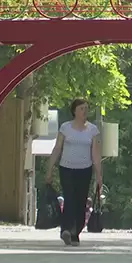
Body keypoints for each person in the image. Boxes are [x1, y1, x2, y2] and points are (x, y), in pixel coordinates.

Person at [46, 98, 102, 247]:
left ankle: (75, 232)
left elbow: (96, 154)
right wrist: (50, 169)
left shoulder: (92, 130)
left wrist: (99, 176)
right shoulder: (65, 128)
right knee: (69, 198)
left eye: (86, 108)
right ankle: (66, 229)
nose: (85, 111)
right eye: (82, 108)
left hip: (85, 169)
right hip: (66, 168)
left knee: (80, 201)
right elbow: (57, 148)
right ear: (74, 111)